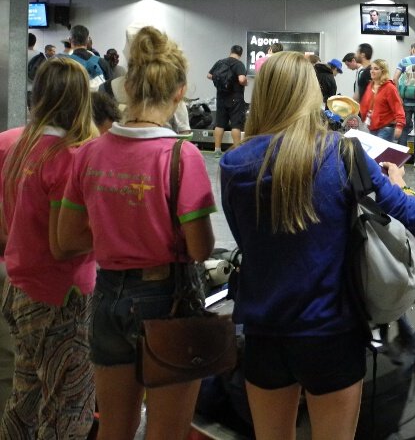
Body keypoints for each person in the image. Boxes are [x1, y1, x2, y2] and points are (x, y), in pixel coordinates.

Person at [220, 51, 415, 440]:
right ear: (311, 95)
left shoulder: (234, 164)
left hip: (264, 332)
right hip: (331, 332)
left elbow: (242, 238)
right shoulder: (341, 153)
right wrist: (400, 184)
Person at [58, 25, 217, 440]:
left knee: (114, 428)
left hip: (107, 295)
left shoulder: (90, 152)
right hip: (168, 299)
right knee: (167, 431)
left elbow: (68, 239)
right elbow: (200, 248)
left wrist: (117, 233)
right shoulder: (183, 157)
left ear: (127, 85)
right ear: (180, 91)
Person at [0, 57, 98, 438]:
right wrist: (114, 234)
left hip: (19, 288)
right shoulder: (69, 159)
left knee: (25, 400)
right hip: (61, 298)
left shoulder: (20, 147)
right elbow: (64, 243)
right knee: (68, 408)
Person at [208, 44, 248, 157]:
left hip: (221, 97)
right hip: (235, 98)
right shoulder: (239, 64)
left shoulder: (220, 62)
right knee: (236, 125)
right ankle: (236, 150)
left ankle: (217, 150)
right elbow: (241, 79)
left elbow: (209, 75)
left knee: (220, 124)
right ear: (241, 54)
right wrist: (245, 82)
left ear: (230, 51)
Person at [358, 59, 405, 142]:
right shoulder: (370, 86)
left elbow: (398, 108)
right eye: (371, 68)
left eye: (376, 69)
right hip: (372, 127)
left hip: (385, 128)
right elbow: (364, 106)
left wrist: (399, 125)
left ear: (383, 71)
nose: (372, 71)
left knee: (378, 153)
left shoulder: (389, 88)